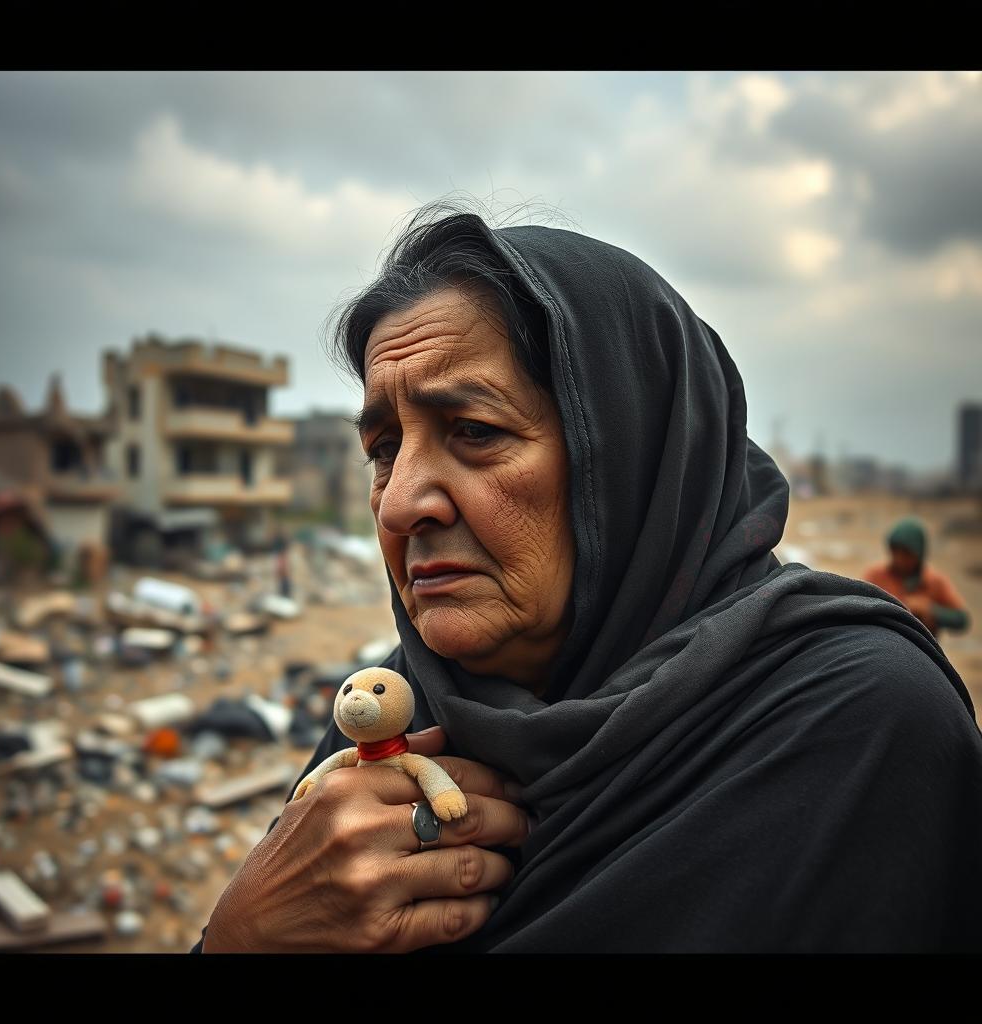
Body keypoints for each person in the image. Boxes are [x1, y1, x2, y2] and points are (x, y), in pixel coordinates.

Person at [192, 205, 982, 954]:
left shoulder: (853, 726)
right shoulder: (397, 719)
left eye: (474, 432)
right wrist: (242, 936)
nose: (399, 503)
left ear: (634, 459)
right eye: (384, 449)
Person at [864, 516, 971, 642]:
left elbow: (961, 619)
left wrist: (931, 610)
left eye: (906, 553)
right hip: (882, 644)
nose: (899, 559)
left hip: (922, 650)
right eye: (895, 551)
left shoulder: (934, 581)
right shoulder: (876, 575)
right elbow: (859, 605)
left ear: (919, 553)